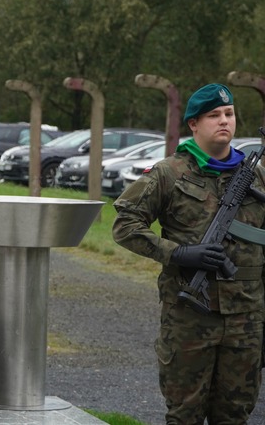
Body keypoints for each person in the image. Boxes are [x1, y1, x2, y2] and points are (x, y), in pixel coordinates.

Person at [113, 83, 265, 424]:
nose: (224, 120)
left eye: (229, 114)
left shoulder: (256, 177)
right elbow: (125, 226)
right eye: (214, 115)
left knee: (235, 414)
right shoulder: (169, 173)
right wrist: (179, 253)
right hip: (190, 317)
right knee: (185, 414)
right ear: (194, 124)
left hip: (247, 318)